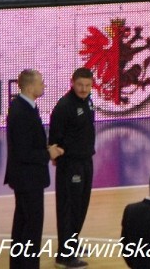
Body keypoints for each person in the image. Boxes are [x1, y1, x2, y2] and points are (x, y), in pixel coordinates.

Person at [4, 69, 64, 269]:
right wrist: (48, 154)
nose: (43, 86)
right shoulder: (22, 112)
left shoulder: (24, 107)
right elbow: (23, 153)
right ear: (30, 87)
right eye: (41, 83)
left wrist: (45, 149)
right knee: (31, 226)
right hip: (27, 179)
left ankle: (19, 264)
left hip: (25, 178)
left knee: (22, 223)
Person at [49, 67, 96, 268]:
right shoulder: (64, 106)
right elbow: (54, 138)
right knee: (69, 208)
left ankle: (72, 242)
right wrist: (59, 157)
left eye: (87, 85)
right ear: (72, 82)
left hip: (86, 160)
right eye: (80, 85)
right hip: (70, 164)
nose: (84, 89)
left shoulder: (88, 101)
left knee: (81, 205)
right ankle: (64, 255)